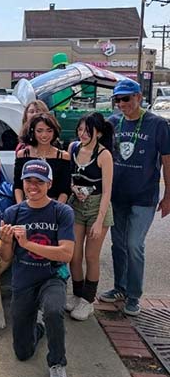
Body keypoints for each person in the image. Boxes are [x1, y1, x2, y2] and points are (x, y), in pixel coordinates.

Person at [99, 79, 170, 316]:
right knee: (118, 244)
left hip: (144, 197)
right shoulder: (112, 122)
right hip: (117, 196)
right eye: (118, 100)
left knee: (133, 244)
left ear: (139, 97)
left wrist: (168, 195)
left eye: (126, 98)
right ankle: (120, 288)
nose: (122, 104)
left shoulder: (158, 125)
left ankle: (134, 295)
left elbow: (167, 162)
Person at [0, 160, 75, 377]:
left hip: (52, 276)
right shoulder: (12, 213)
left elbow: (66, 253)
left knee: (53, 310)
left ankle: (57, 363)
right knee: (22, 353)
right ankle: (39, 328)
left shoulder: (62, 212)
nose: (33, 186)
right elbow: (6, 258)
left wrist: (27, 244)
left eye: (39, 182)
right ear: (22, 182)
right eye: (29, 181)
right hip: (23, 278)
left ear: (49, 183)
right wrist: (5, 242)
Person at [65, 112, 114, 321]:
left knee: (91, 256)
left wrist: (99, 220)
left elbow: (107, 190)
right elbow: (66, 176)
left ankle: (88, 300)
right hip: (76, 206)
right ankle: (77, 294)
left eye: (88, 130)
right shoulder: (73, 148)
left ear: (99, 133)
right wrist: (73, 188)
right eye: (80, 129)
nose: (82, 133)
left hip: (97, 208)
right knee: (74, 255)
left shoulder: (104, 155)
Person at [14, 113, 71, 204]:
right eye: (39, 131)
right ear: (33, 132)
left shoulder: (63, 156)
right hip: (28, 204)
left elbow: (65, 190)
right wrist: (20, 207)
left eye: (49, 131)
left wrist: (56, 210)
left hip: (54, 205)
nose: (44, 135)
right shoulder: (23, 154)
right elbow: (18, 186)